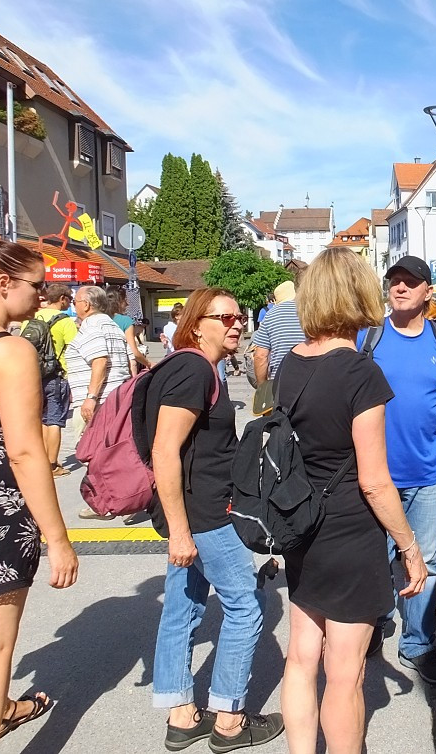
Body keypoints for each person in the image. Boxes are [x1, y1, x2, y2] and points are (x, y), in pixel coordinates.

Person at [277, 248, 426, 754]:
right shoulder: (361, 373)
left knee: (301, 656)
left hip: (302, 523)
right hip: (349, 529)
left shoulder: (291, 364)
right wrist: (408, 545)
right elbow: (375, 481)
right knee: (346, 671)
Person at [147, 288, 284, 752]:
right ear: (195, 323)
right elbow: (165, 450)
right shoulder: (192, 369)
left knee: (182, 608)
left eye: (239, 316)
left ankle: (182, 714)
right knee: (246, 608)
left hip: (191, 511)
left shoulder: (194, 366)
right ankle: (229, 719)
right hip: (203, 515)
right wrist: (181, 530)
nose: (237, 324)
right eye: (224, 317)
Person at [0, 230, 78, 753]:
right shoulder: (9, 351)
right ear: (0, 283)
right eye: (35, 287)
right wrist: (57, 537)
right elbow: (25, 451)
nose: (42, 298)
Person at [358, 256, 436, 686]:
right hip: (374, 475)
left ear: (427, 292)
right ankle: (372, 627)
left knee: (425, 563)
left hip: (426, 473)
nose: (400, 287)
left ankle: (418, 644)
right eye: (394, 281)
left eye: (410, 282)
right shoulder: (368, 338)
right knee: (377, 558)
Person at [66, 286, 134, 520]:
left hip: (100, 400)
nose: (74, 306)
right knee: (110, 452)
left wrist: (91, 398)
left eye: (75, 302)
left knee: (92, 453)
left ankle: (102, 503)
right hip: (116, 397)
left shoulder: (93, 326)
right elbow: (127, 359)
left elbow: (99, 361)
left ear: (86, 304)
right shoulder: (111, 324)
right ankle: (120, 498)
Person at [23, 283, 78, 477]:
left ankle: (41, 460)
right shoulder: (66, 322)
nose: (70, 303)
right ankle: (52, 464)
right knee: (54, 420)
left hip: (34, 375)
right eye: (69, 299)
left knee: (40, 419)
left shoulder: (32, 317)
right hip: (57, 375)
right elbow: (74, 350)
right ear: (62, 298)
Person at [252, 277, 304, 385]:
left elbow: (260, 356)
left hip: (279, 381)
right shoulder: (310, 312)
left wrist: (263, 387)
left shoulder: (270, 315)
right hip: (309, 380)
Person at [106, 287, 150, 373]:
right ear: (118, 302)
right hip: (121, 369)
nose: (127, 304)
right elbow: (134, 352)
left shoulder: (101, 319)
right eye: (125, 300)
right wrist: (149, 364)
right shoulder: (126, 321)